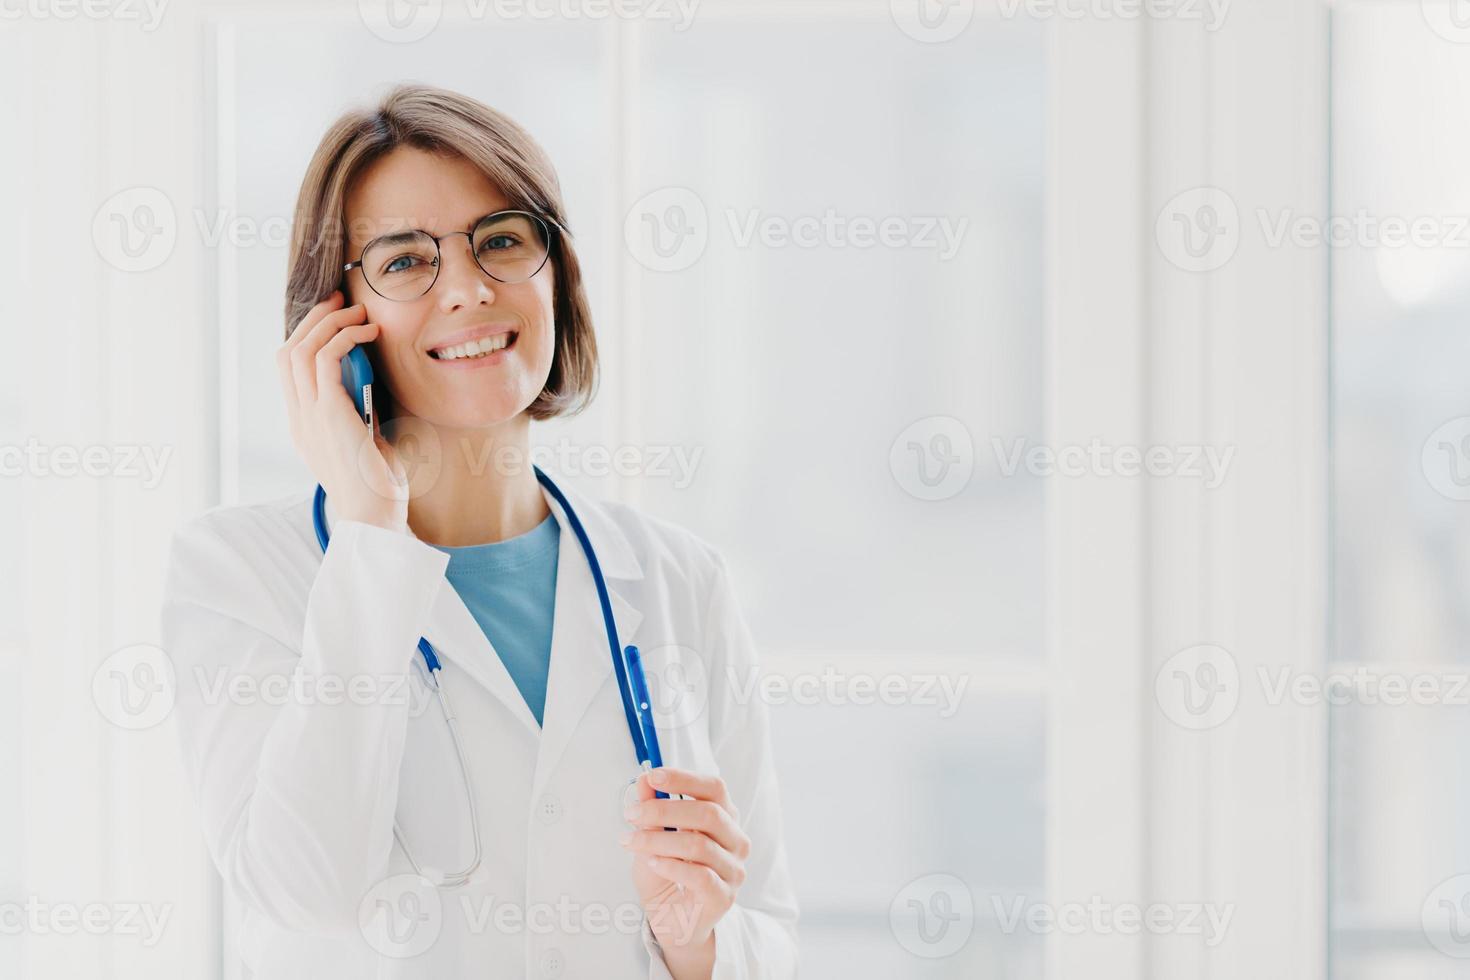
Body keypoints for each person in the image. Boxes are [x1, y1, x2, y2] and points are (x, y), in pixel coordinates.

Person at [159, 83, 799, 979]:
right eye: (406, 261)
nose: (467, 290)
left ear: (557, 276)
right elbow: (305, 890)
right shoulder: (240, 571)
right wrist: (370, 533)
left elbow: (766, 923)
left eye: (501, 241)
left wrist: (698, 939)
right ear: (335, 321)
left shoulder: (680, 579)